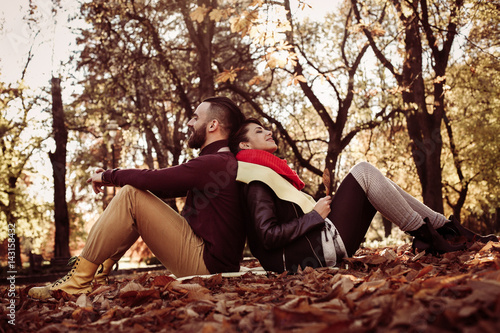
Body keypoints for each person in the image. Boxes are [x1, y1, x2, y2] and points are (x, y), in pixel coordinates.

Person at [29, 96, 247, 300]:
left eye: (196, 118)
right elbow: (162, 188)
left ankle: (78, 281)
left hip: (207, 267)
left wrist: (107, 175)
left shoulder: (215, 162)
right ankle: (97, 275)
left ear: (212, 126)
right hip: (213, 262)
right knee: (136, 197)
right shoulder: (220, 162)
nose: (190, 122)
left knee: (131, 195)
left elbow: (155, 180)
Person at [230, 119, 498, 274]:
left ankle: (447, 230)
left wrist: (314, 216)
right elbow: (267, 236)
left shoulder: (269, 175)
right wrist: (313, 217)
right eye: (258, 131)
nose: (268, 131)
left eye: (266, 128)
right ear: (245, 145)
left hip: (319, 245)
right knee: (364, 171)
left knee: (379, 184)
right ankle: (432, 235)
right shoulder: (257, 182)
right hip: (312, 253)